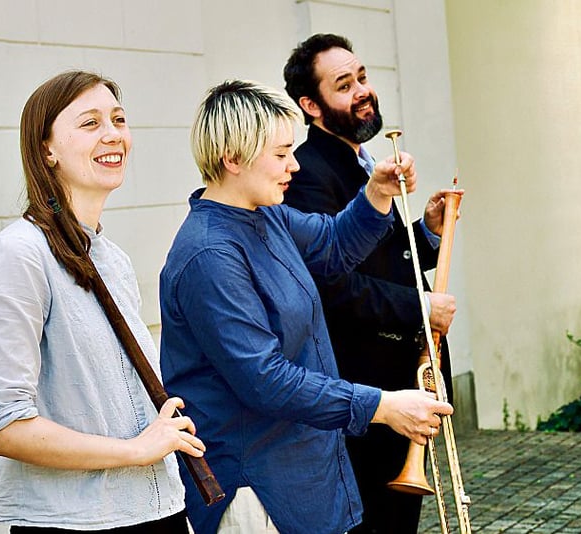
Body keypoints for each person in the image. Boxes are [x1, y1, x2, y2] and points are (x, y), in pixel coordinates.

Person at [158, 80, 453, 534]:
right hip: (258, 489)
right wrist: (382, 406)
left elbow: (333, 245)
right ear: (231, 159)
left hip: (308, 471)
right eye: (279, 154)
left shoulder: (266, 213)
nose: (293, 165)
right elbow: (266, 381)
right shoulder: (210, 255)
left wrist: (376, 192)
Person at [0, 70, 205, 533]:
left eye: (118, 119)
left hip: (156, 510)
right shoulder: (17, 253)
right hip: (77, 523)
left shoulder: (110, 259)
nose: (113, 134)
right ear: (46, 149)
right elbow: (5, 426)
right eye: (90, 123)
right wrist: (137, 449)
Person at [282, 33, 460, 534]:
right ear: (311, 105)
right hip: (362, 382)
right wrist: (419, 307)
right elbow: (332, 284)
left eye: (362, 77)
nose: (363, 90)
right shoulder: (306, 174)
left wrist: (425, 232)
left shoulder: (359, 157)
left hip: (397, 375)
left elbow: (379, 257)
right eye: (344, 84)